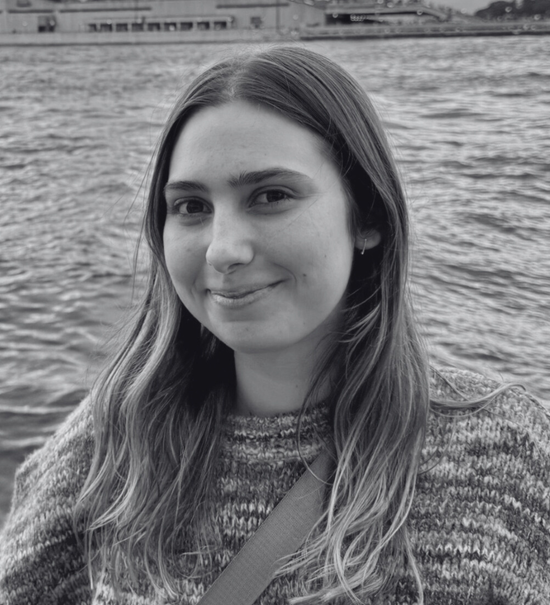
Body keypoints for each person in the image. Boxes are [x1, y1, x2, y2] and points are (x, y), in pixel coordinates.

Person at [0, 46, 549, 605]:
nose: (223, 250)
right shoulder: (106, 449)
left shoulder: (505, 453)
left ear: (368, 216)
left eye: (271, 196)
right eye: (191, 206)